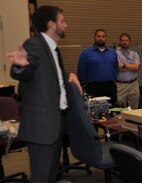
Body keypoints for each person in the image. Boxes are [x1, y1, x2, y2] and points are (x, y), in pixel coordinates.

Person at [7, 5, 82, 182]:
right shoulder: (34, 44)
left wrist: (68, 74)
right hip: (42, 128)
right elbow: (23, 71)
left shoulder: (52, 48)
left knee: (49, 176)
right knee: (41, 177)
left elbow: (50, 75)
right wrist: (19, 65)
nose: (66, 24)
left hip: (54, 124)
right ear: (52, 24)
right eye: (62, 21)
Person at [78, 29, 119, 104]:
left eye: (103, 36)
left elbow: (116, 69)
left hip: (110, 87)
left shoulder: (112, 53)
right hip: (93, 88)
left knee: (113, 110)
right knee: (95, 111)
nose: (101, 38)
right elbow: (81, 72)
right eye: (98, 36)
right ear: (94, 37)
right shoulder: (86, 53)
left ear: (105, 38)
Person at [116, 33, 140, 109]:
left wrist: (124, 65)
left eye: (126, 40)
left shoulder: (135, 54)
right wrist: (130, 66)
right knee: (120, 108)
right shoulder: (115, 54)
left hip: (133, 84)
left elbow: (136, 67)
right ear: (120, 42)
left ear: (129, 42)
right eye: (122, 40)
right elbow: (118, 67)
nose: (124, 42)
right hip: (121, 85)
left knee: (134, 109)